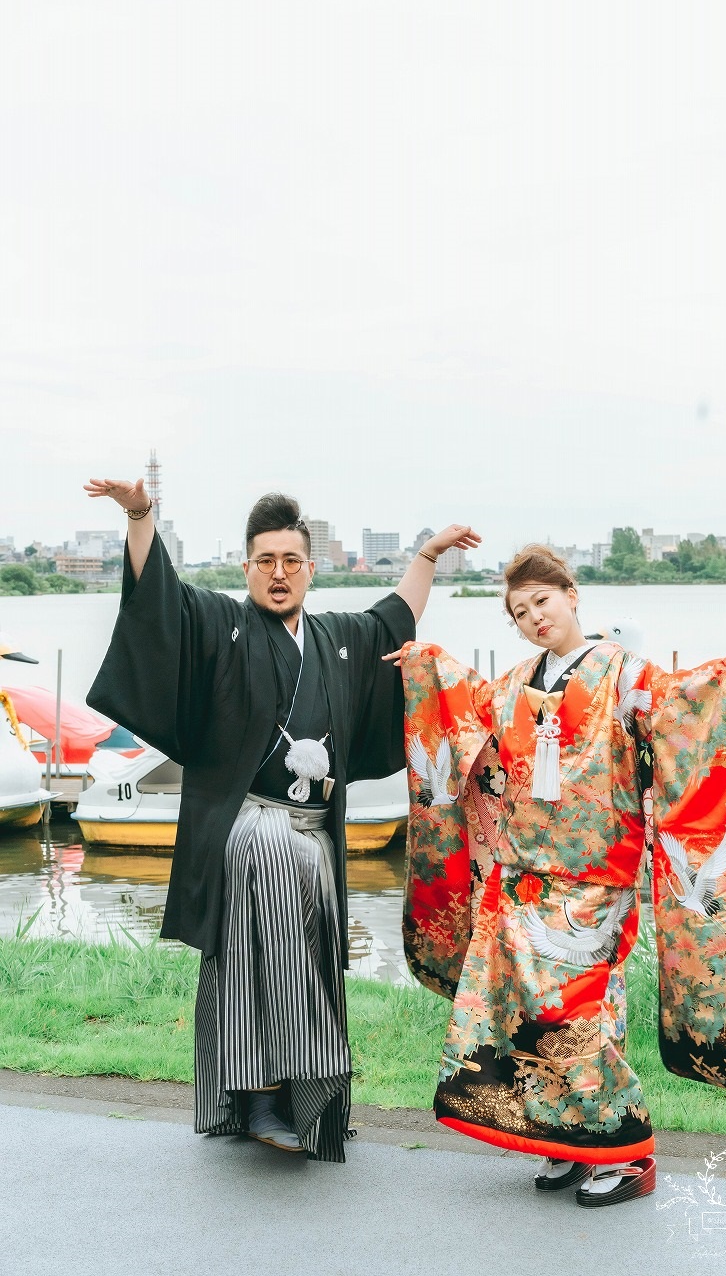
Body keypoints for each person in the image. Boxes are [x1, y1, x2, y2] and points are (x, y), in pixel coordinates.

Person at [84, 474, 479, 1162]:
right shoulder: (219, 624)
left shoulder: (338, 638)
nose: (278, 573)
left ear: (310, 569)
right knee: (258, 964)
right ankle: (266, 1096)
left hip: (314, 836)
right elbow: (158, 605)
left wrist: (426, 558)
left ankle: (293, 1098)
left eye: (290, 561)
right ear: (247, 568)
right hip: (254, 829)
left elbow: (394, 618)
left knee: (307, 965)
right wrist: (141, 515)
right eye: (264, 561)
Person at [390, 544, 726, 1206]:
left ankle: (626, 1150)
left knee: (583, 1014)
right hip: (521, 879)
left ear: (571, 595)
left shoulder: (623, 674)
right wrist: (426, 663)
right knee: (526, 1013)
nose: (533, 617)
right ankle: (565, 1141)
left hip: (596, 876)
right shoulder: (517, 683)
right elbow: (468, 710)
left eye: (541, 601)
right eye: (519, 612)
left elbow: (678, 703)